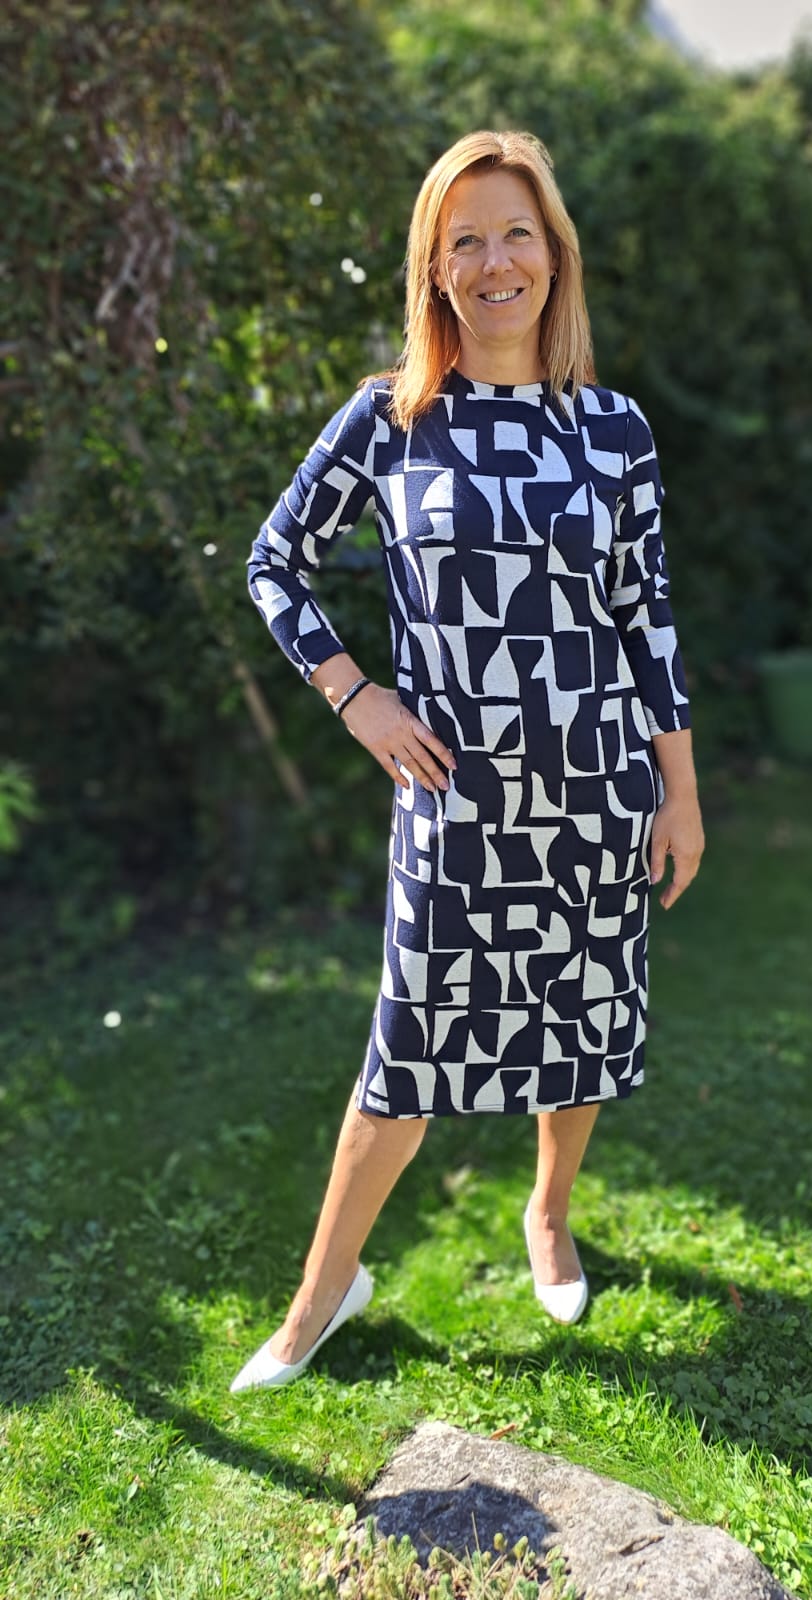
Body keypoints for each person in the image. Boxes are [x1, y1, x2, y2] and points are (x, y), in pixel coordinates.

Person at [230, 128, 705, 1393]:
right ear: (434, 268)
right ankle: (320, 1298)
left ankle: (549, 1212)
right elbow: (273, 565)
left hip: (597, 788)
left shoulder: (614, 429)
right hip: (455, 801)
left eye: (518, 234)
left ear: (555, 255)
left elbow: (647, 619)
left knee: (578, 1021)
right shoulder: (390, 419)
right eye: (468, 241)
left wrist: (681, 789)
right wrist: (357, 697)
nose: (497, 263)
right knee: (405, 1058)